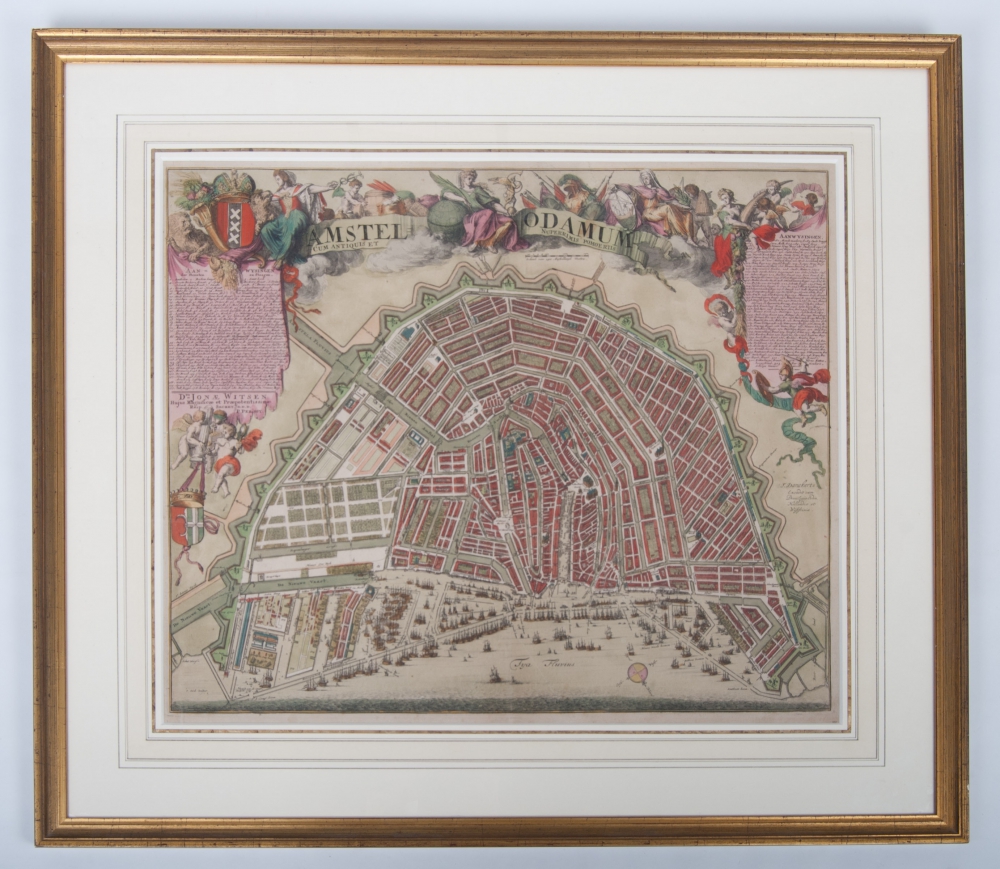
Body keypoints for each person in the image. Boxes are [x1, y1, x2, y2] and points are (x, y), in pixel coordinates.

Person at [434, 169, 529, 252]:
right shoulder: (459, 191)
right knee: (488, 212)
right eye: (469, 178)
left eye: (472, 178)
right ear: (463, 179)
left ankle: (489, 242)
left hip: (488, 216)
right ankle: (476, 242)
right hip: (472, 217)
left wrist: (506, 212)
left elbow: (492, 204)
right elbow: (446, 194)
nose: (471, 181)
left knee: (509, 222)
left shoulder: (477, 190)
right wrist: (462, 199)